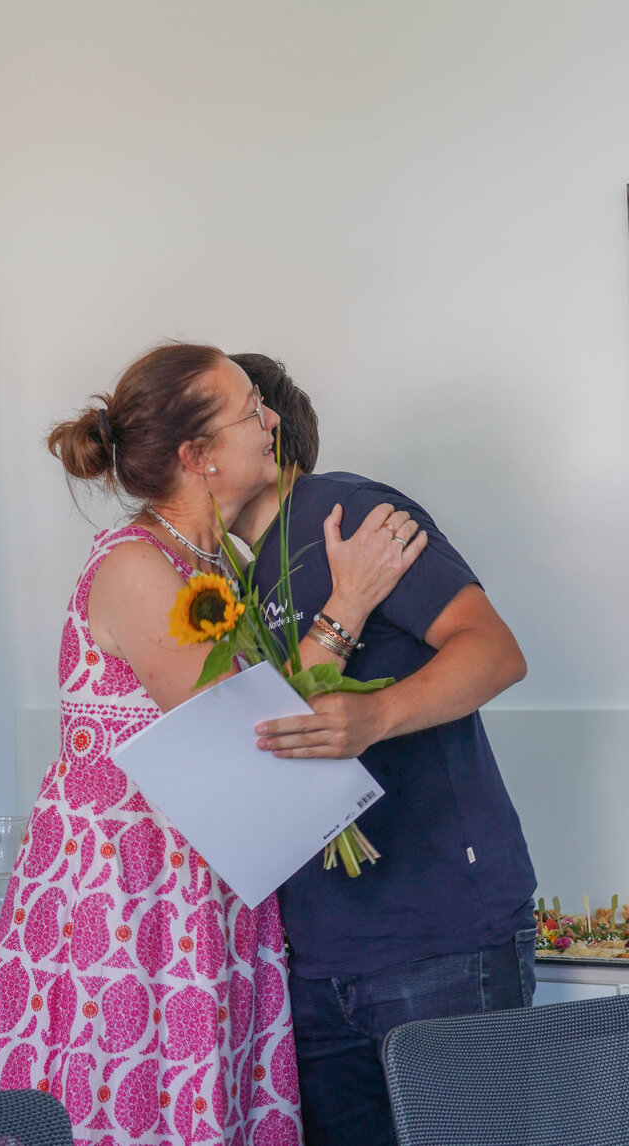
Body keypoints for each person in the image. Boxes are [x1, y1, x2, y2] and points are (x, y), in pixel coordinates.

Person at [0, 343, 426, 1146]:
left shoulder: (218, 567)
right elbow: (251, 745)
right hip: (126, 915)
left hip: (202, 905)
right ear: (197, 456)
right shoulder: (135, 568)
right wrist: (348, 602)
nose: (272, 419)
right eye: (251, 410)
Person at [228, 352, 537, 1146]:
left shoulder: (348, 513)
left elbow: (495, 652)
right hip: (317, 959)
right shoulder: (233, 584)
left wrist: (376, 716)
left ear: (266, 424)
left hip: (440, 941)